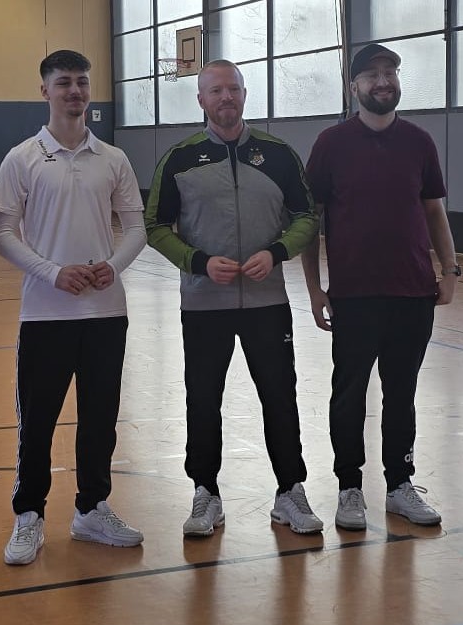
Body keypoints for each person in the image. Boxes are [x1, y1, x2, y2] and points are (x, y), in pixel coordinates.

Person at [145, 59, 323, 537]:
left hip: (268, 304)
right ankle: (205, 492)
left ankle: (290, 491)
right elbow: (155, 227)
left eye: (233, 89)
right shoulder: (179, 159)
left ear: (244, 94)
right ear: (201, 99)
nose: (226, 97)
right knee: (203, 399)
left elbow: (307, 217)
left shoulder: (279, 155)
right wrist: (198, 262)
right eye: (216, 90)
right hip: (204, 306)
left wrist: (277, 251)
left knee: (280, 396)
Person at [0, 50, 146, 566]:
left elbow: (136, 229)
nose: (74, 91)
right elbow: (3, 235)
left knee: (100, 418)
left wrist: (112, 266)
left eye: (81, 82)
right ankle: (29, 515)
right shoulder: (22, 158)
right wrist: (52, 272)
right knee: (37, 423)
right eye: (63, 83)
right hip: (45, 316)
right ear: (45, 90)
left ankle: (91, 509)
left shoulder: (113, 158)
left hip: (106, 315)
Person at [302, 44, 459, 530]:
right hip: (353, 296)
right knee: (349, 394)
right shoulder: (331, 143)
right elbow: (311, 220)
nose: (383, 81)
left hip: (413, 293)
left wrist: (449, 269)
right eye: (372, 74)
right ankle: (350, 487)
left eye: (390, 72)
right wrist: (315, 288)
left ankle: (399, 485)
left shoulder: (419, 142)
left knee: (402, 393)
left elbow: (433, 210)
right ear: (354, 86)